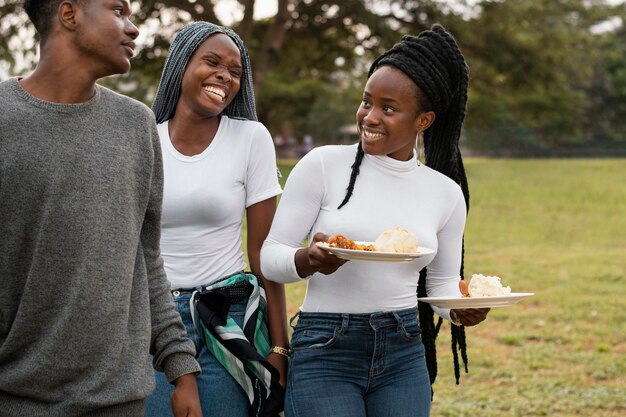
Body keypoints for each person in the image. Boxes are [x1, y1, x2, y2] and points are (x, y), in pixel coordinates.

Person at [260, 24, 489, 416]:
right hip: (325, 347)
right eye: (367, 102)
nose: (370, 116)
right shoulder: (322, 165)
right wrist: (308, 260)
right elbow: (270, 257)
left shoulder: (446, 193)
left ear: (424, 120)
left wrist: (460, 311)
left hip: (403, 349)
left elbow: (440, 285)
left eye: (388, 108)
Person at [0, 1, 203, 416]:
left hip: (118, 399)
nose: (133, 29)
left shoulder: (136, 125)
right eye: (118, 10)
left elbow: (145, 258)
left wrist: (180, 366)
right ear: (70, 14)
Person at [144, 22, 288, 417]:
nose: (225, 75)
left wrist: (279, 347)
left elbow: (264, 254)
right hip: (157, 322)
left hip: (228, 319)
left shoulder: (251, 139)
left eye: (235, 71)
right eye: (212, 62)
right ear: (180, 65)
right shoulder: (144, 140)